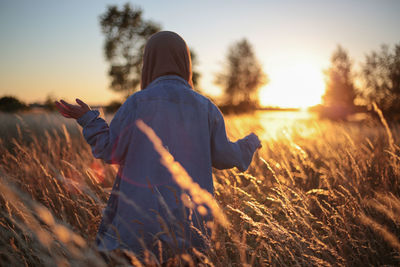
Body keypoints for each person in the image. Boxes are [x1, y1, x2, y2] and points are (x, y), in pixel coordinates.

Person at [55, 31, 261, 261]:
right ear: (185, 62)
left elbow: (108, 149)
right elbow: (224, 156)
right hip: (191, 228)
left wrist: (88, 119)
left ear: (149, 62)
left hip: (138, 226)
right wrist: (249, 144)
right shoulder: (206, 108)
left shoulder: (137, 103)